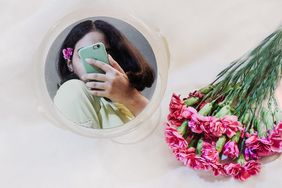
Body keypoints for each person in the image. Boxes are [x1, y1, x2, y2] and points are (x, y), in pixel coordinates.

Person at [53, 20, 155, 129]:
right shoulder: (72, 90)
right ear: (70, 64)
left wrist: (130, 95)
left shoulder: (126, 102)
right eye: (84, 54)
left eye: (104, 53)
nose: (94, 62)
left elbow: (162, 133)